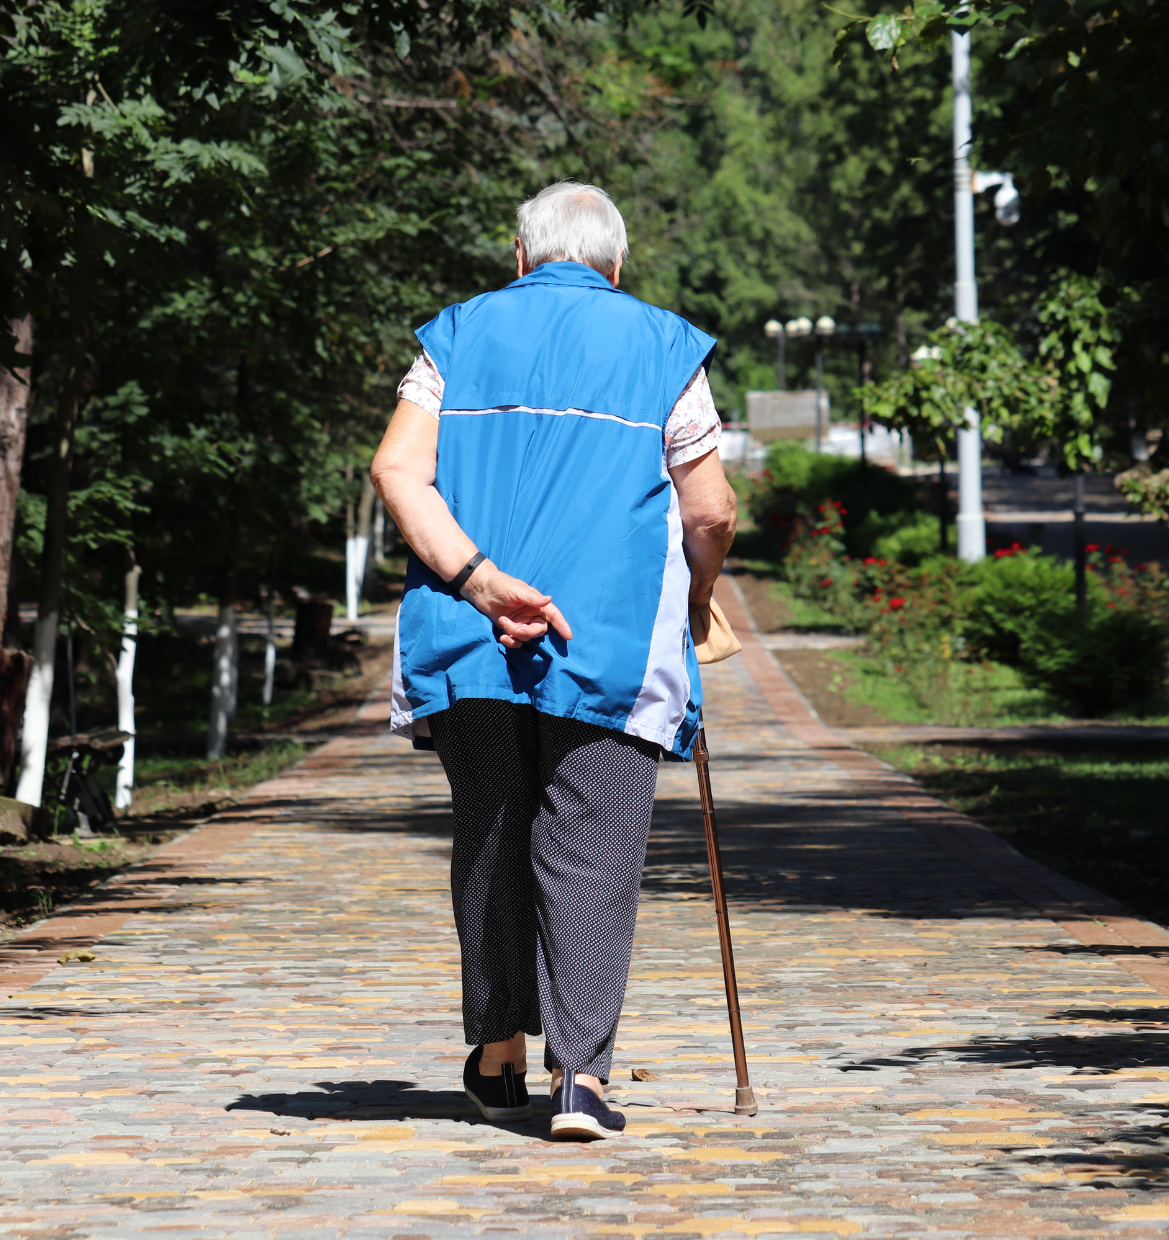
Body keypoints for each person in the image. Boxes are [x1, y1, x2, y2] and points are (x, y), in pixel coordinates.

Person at [370, 181, 738, 1141]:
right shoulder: (663, 345)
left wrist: (481, 580)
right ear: (618, 268)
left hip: (469, 635)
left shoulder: (452, 337)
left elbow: (396, 470)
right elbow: (710, 511)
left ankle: (496, 1062)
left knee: (491, 838)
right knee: (592, 851)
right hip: (609, 644)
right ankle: (581, 1080)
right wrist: (695, 603)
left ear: (520, 258)